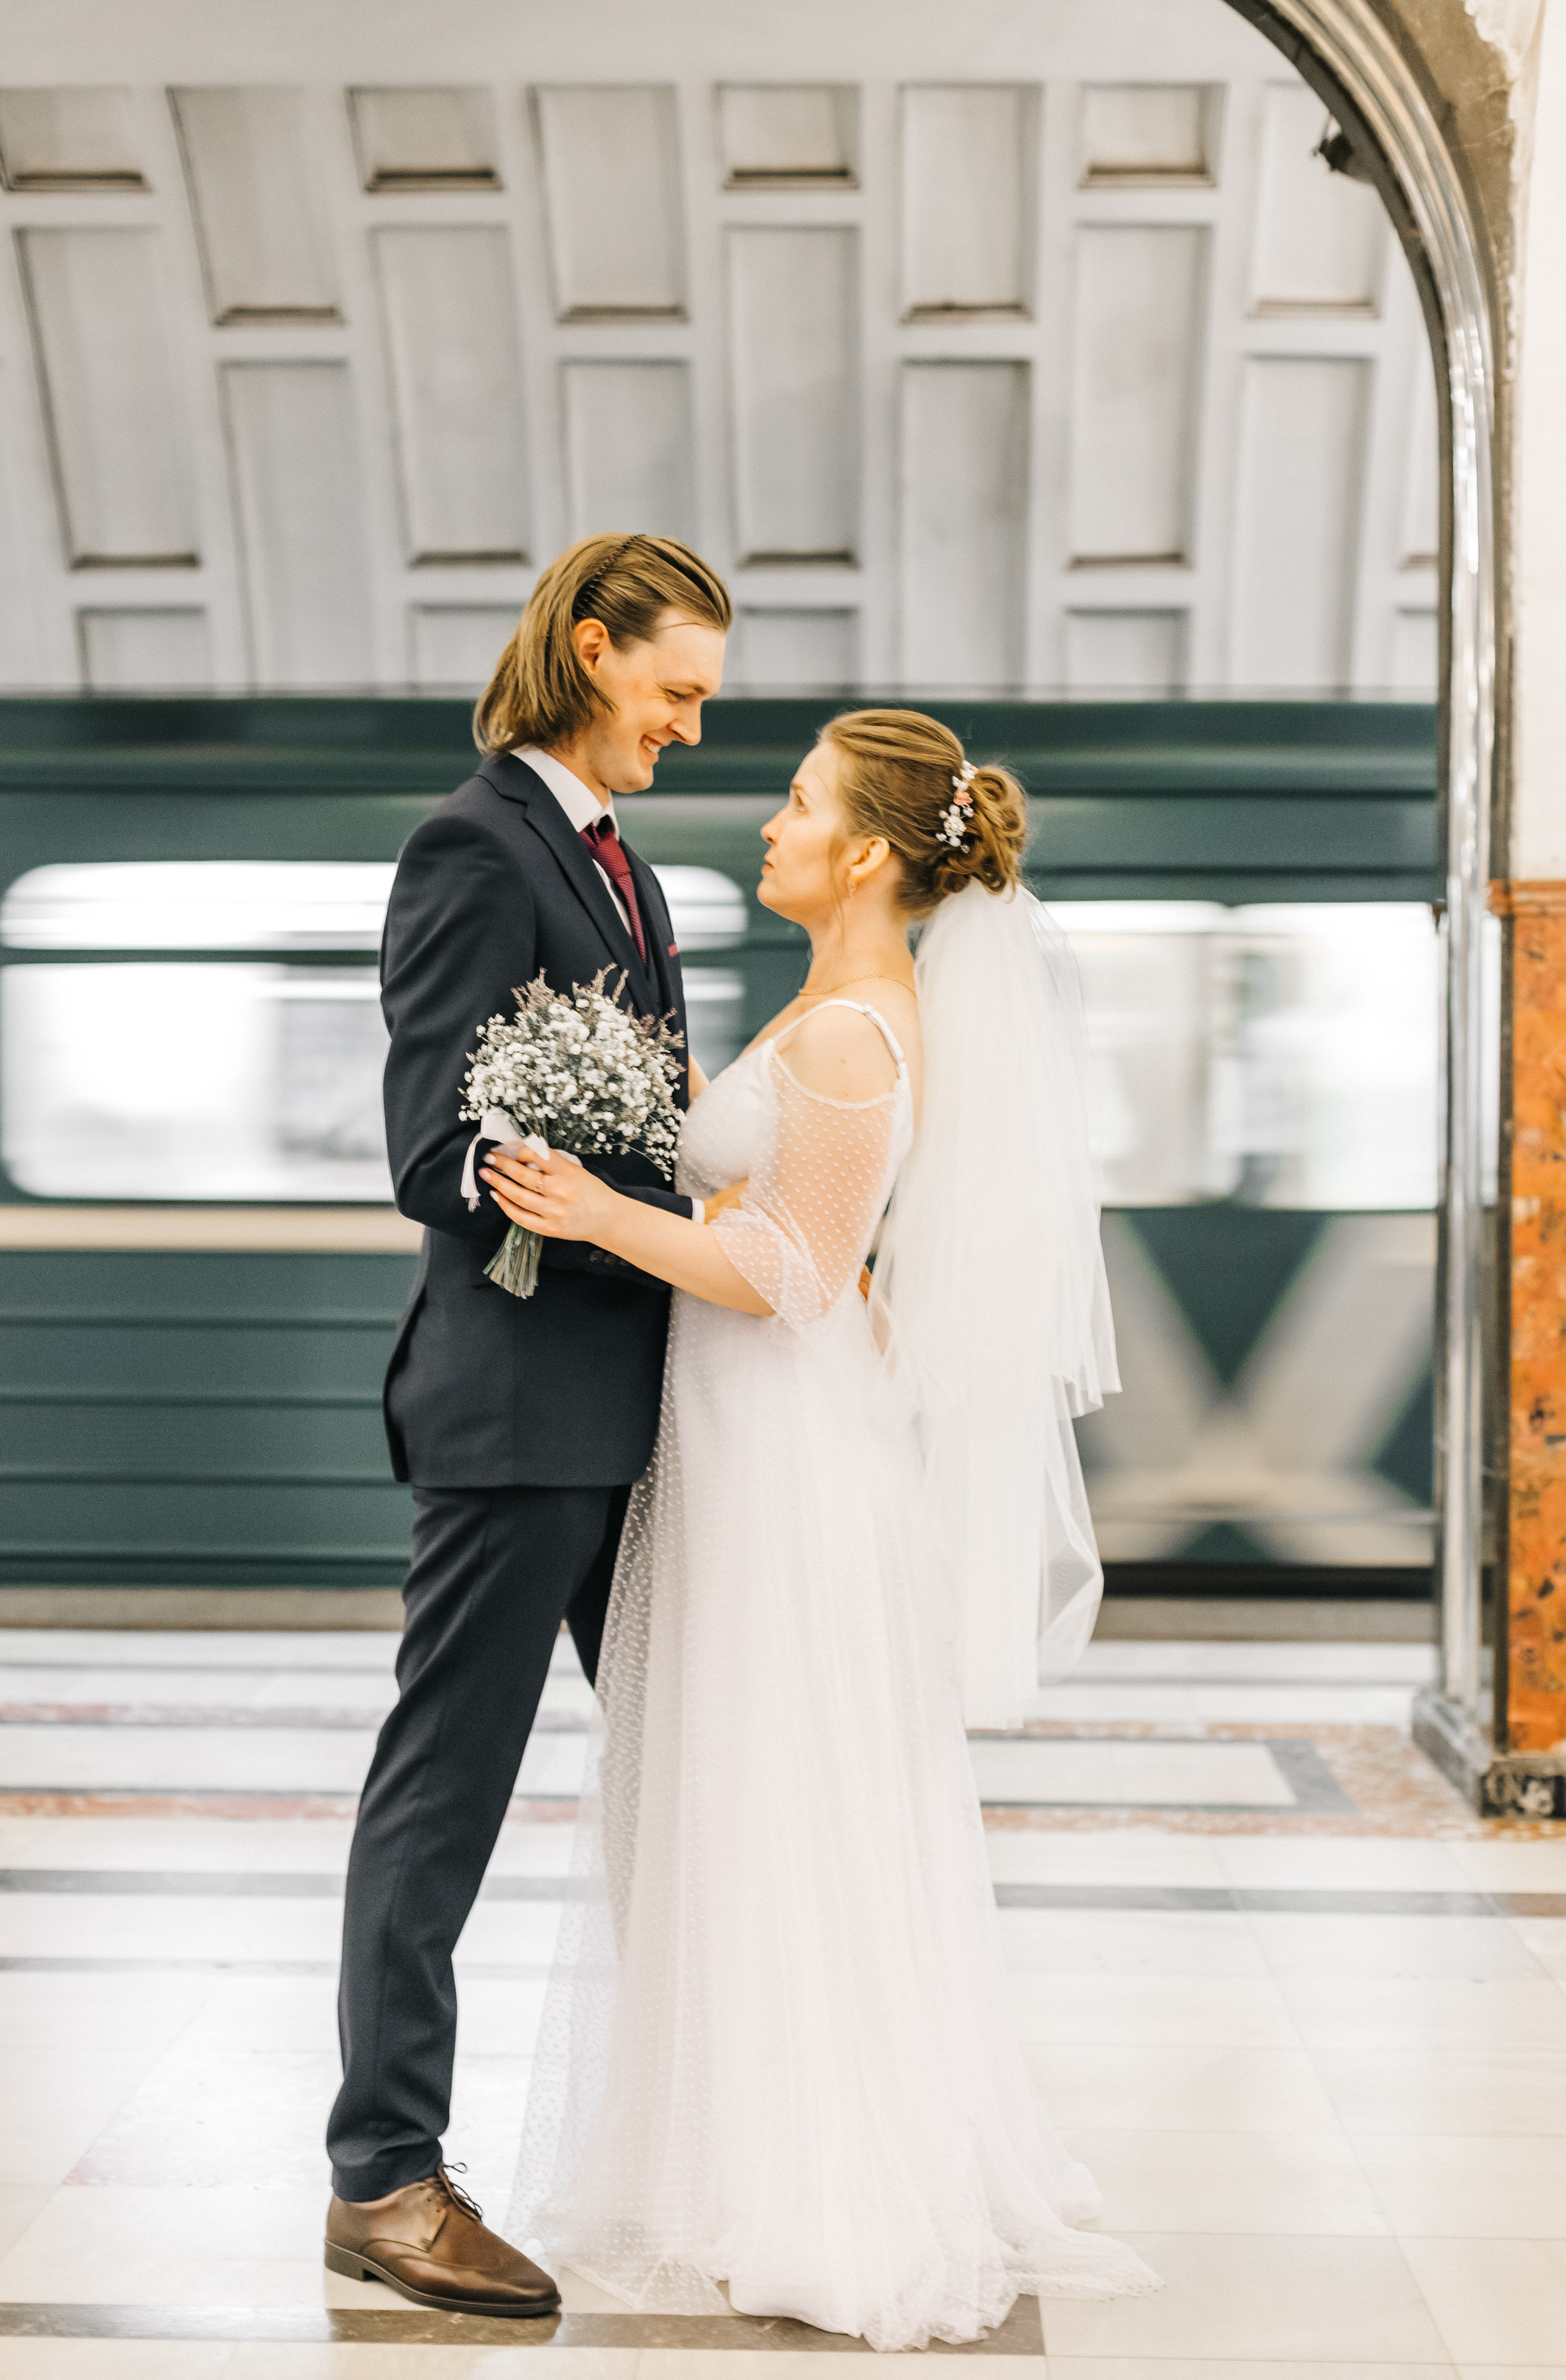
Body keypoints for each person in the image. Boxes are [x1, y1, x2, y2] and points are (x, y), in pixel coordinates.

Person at [487, 709, 1162, 2350]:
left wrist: (600, 1212)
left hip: (786, 1455)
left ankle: (817, 2190)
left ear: (865, 851)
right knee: (747, 1790)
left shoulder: (857, 1030)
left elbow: (790, 1274)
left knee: (777, 1795)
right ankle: (750, 2151)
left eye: (798, 803)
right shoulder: (833, 1006)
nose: (770, 823)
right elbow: (799, 1226)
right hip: (751, 1437)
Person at [323, 533, 731, 2318]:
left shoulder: (623, 871)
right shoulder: (473, 847)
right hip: (516, 1414)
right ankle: (386, 2178)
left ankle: (720, 2135)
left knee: (697, 1779)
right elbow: (431, 1147)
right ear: (587, 648)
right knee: (446, 1798)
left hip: (638, 1405)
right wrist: (542, 1165)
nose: (691, 726)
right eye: (675, 687)